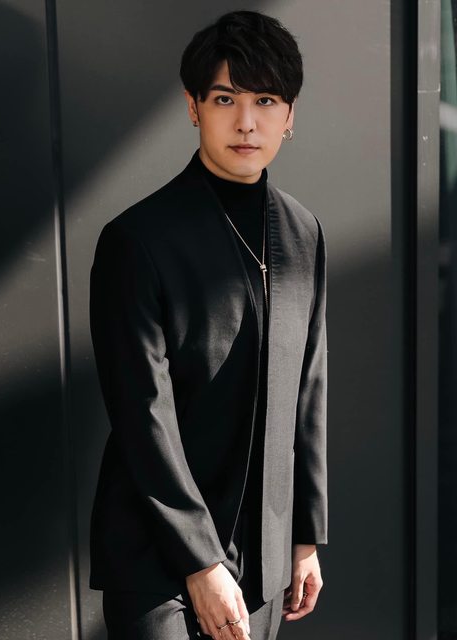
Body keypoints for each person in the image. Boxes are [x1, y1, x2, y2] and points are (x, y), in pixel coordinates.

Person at [88, 10, 327, 640]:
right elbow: (142, 411)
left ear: (290, 115)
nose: (246, 122)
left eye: (265, 101)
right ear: (193, 107)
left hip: (265, 556)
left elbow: (307, 391)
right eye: (225, 98)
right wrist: (201, 562)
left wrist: (304, 535)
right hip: (156, 557)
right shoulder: (137, 239)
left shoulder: (303, 233)